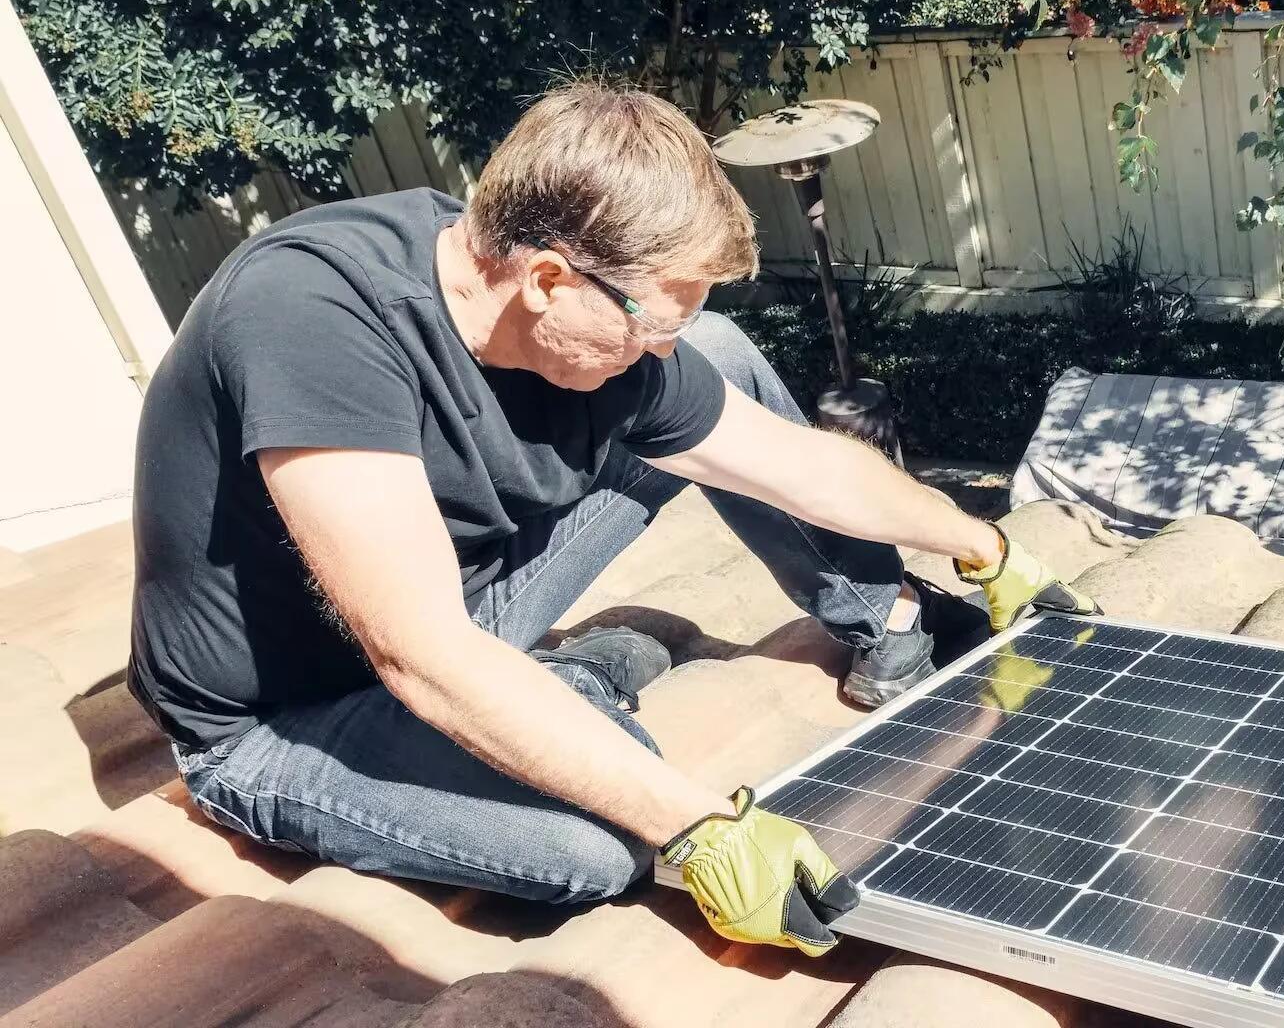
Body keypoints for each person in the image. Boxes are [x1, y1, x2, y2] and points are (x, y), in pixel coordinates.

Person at [126, 80, 1097, 955]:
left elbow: (799, 464)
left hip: (466, 600)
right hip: (288, 713)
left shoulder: (604, 338)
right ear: (548, 279)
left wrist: (985, 544)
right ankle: (558, 692)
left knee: (718, 354)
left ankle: (885, 627)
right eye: (650, 322)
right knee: (602, 843)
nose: (655, 354)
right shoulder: (317, 317)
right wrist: (703, 826)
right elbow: (416, 653)